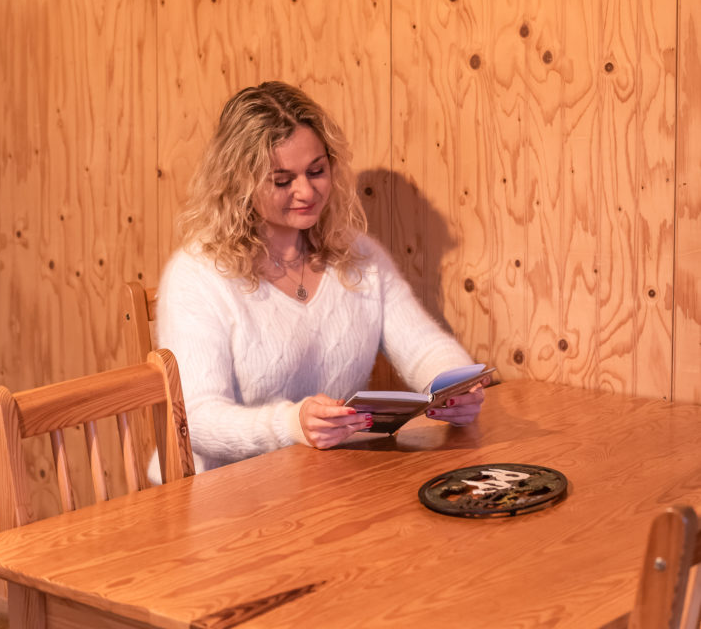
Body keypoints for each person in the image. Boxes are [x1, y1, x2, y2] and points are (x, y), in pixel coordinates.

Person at [155, 80, 488, 473]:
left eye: (317, 171)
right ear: (238, 183)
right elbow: (195, 418)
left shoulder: (359, 254)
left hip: (326, 481)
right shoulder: (197, 275)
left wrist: (452, 388)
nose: (306, 191)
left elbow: (424, 347)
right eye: (282, 180)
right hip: (223, 498)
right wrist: (290, 424)